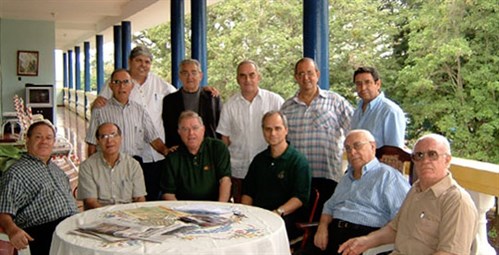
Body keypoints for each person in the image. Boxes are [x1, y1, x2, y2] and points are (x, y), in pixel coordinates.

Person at [339, 134, 478, 255]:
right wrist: (366, 241)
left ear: (447, 160)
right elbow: (394, 229)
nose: (425, 160)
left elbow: (450, 253)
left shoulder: (456, 201)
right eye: (419, 155)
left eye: (432, 154)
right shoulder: (416, 190)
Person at [309, 129, 410, 254]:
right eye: (348, 148)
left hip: (364, 237)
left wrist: (369, 240)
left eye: (357, 146)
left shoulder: (388, 177)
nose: (352, 152)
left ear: (372, 147)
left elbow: (403, 218)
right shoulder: (346, 178)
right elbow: (329, 206)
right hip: (333, 235)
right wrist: (322, 227)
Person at [281, 57, 354, 220]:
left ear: (317, 74)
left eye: (309, 73)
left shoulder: (335, 101)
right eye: (301, 74)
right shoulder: (287, 107)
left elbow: (354, 131)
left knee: (326, 220)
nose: (306, 77)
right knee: (300, 221)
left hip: (327, 174)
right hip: (298, 177)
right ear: (295, 78)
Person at [86, 69, 172, 200]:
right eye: (117, 82)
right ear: (111, 86)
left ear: (131, 86)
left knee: (137, 204)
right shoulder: (100, 110)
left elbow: (153, 138)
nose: (121, 86)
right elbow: (92, 144)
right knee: (110, 203)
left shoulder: (139, 110)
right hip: (108, 166)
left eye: (126, 82)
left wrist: (166, 151)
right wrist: (91, 170)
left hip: (134, 166)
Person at [0, 120, 79, 255]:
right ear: (27, 140)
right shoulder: (16, 173)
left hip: (72, 225)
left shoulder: (56, 169)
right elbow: (3, 211)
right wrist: (12, 230)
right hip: (44, 232)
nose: (44, 141)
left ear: (53, 142)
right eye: (38, 137)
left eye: (49, 138)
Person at [216, 60, 284, 202]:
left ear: (258, 77)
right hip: (238, 172)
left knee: (266, 212)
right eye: (243, 76)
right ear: (237, 79)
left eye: (252, 75)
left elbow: (284, 134)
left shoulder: (275, 101)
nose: (247, 80)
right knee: (241, 215)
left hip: (269, 170)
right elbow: (225, 140)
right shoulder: (229, 106)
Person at [241, 111, 311, 240]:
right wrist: (246, 214)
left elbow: (300, 197)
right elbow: (248, 192)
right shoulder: (259, 160)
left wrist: (278, 212)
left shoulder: (299, 161)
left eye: (277, 128)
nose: (272, 133)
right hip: (258, 216)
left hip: (285, 218)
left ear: (286, 130)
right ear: (263, 131)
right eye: (268, 129)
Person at [160, 111, 231, 202]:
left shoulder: (218, 148)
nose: (191, 133)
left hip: (214, 207)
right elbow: (168, 193)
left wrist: (220, 208)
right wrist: (182, 214)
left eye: (195, 128)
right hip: (183, 209)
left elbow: (225, 180)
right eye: (185, 129)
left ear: (203, 129)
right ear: (179, 132)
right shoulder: (173, 157)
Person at [78, 122, 147, 210]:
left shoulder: (133, 165)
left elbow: (139, 198)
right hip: (99, 216)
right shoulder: (87, 166)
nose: (109, 141)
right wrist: (112, 217)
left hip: (128, 214)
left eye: (113, 135)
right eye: (104, 137)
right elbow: (91, 202)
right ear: (98, 141)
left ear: (120, 138)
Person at [162, 59, 222, 147]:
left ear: (200, 76)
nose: (190, 77)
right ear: (180, 76)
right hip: (180, 152)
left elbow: (219, 127)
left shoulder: (212, 98)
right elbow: (168, 129)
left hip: (209, 151)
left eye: (194, 73)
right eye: (185, 73)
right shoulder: (169, 101)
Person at [350, 67, 406, 148]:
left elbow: (395, 151)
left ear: (378, 84)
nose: (363, 88)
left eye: (367, 82)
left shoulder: (390, 111)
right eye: (358, 84)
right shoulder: (357, 111)